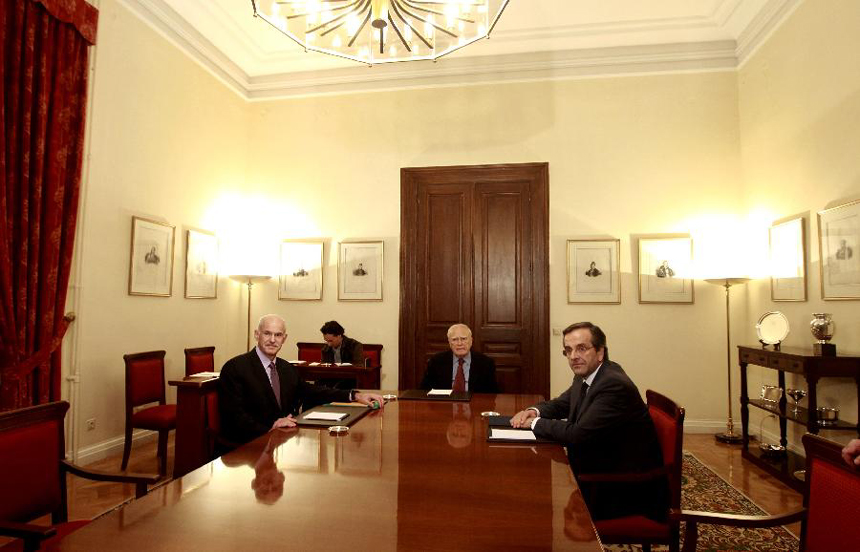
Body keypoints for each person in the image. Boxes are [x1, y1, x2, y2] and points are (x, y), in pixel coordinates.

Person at [510, 321, 666, 521]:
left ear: (600, 352)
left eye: (581, 348)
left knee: (532, 499)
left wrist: (533, 424)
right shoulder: (588, 374)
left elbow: (578, 435)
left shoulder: (613, 384)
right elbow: (562, 404)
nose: (574, 356)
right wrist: (533, 411)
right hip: (598, 466)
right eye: (568, 350)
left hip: (621, 487)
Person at [219, 314, 384, 446]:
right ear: (257, 334)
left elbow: (313, 391)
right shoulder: (235, 368)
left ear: (284, 338)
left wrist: (355, 396)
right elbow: (234, 417)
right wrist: (270, 427)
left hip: (282, 442)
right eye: (267, 333)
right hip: (250, 446)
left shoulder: (287, 369)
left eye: (278, 335)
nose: (272, 340)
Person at [420, 323, 499, 393]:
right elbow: (424, 391)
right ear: (449, 343)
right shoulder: (436, 362)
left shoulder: (486, 363)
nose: (459, 343)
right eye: (454, 339)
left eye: (464, 339)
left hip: (475, 406)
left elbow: (492, 395)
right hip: (444, 406)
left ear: (471, 341)